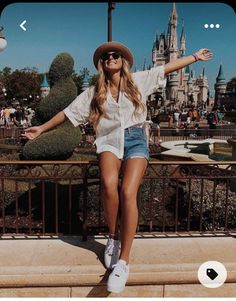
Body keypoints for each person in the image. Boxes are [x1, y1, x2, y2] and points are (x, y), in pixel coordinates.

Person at [22, 41, 212, 293]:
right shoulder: (93, 92)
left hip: (135, 140)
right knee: (110, 186)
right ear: (102, 63)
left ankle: (124, 260)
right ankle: (113, 237)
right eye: (106, 56)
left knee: (127, 192)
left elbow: (165, 68)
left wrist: (194, 58)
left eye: (116, 55)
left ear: (123, 61)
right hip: (109, 141)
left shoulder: (137, 81)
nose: (111, 58)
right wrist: (41, 129)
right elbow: (68, 113)